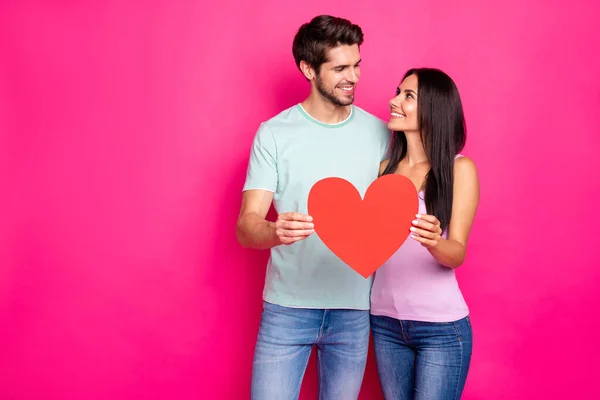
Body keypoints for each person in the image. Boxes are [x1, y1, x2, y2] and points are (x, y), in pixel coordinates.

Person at [235, 15, 391, 400]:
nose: (352, 77)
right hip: (287, 309)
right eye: (339, 68)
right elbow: (246, 226)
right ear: (308, 69)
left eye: (356, 65)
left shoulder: (382, 134)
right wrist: (274, 231)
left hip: (354, 311)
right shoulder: (274, 133)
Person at [369, 68, 480, 400]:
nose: (393, 100)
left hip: (441, 329)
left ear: (433, 108)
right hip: (384, 323)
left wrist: (434, 242)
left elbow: (456, 254)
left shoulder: (460, 169)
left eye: (408, 96)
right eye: (398, 91)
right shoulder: (382, 171)